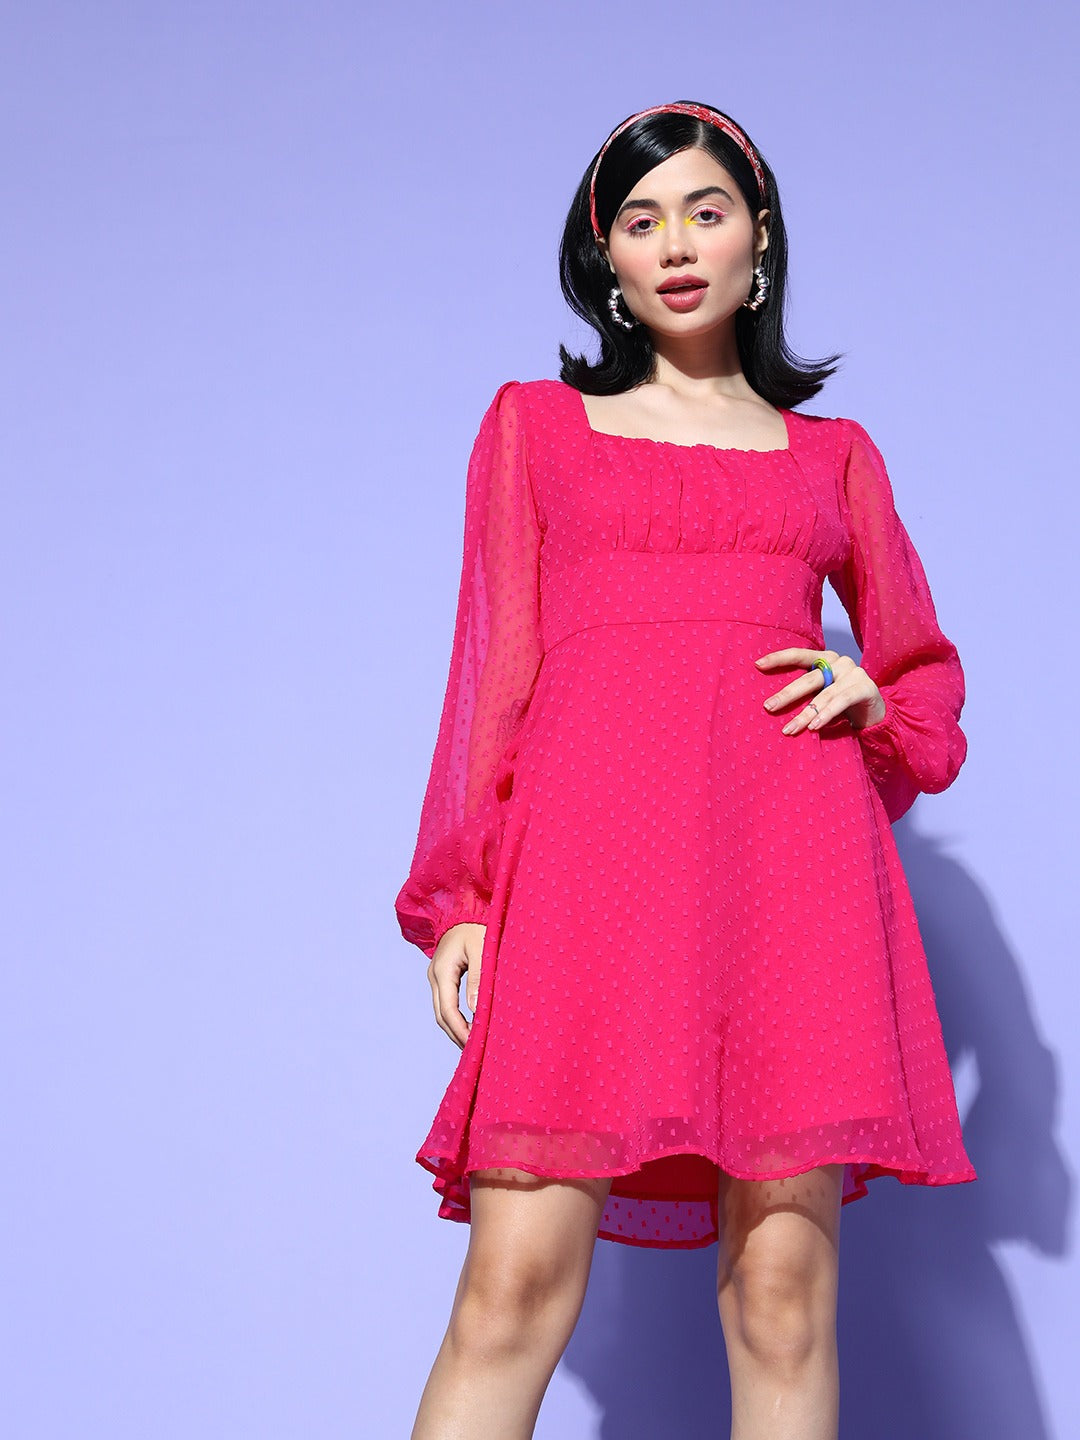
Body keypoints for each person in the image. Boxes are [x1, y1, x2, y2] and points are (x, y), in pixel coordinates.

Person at [394, 100, 976, 1440]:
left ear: (756, 238)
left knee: (783, 1300)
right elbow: (491, 674)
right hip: (586, 880)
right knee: (511, 1290)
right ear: (604, 253)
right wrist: (464, 894)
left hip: (791, 882)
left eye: (705, 213)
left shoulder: (835, 455)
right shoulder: (536, 428)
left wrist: (874, 697)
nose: (674, 245)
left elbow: (926, 680)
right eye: (641, 221)